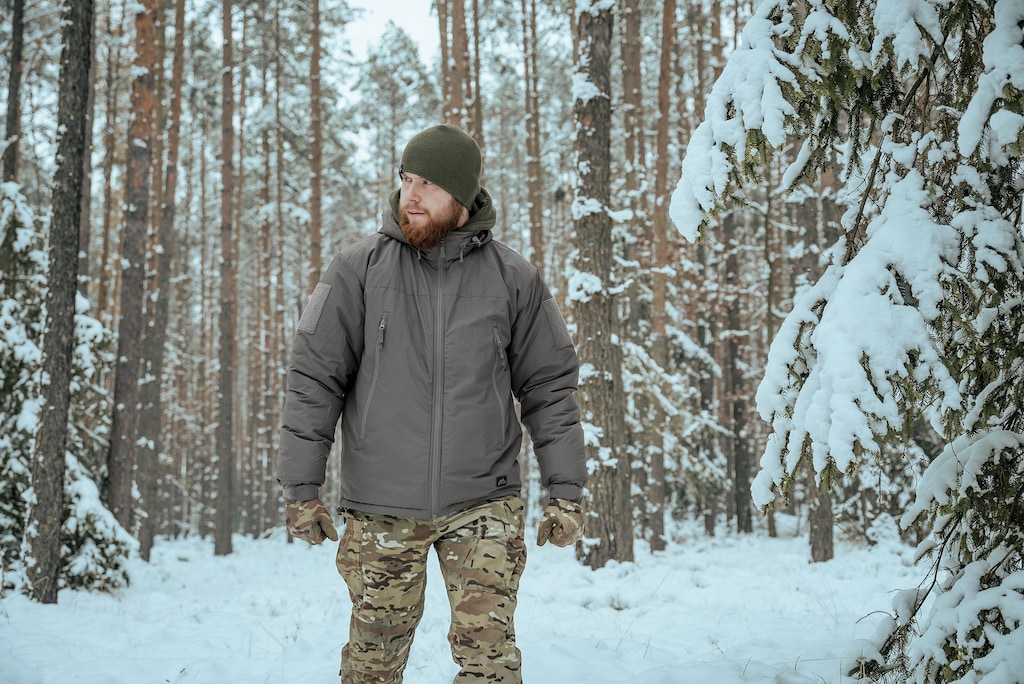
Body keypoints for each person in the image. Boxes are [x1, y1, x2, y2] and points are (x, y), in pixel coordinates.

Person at [275, 123, 588, 683]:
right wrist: (302, 489)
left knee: (490, 666)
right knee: (372, 666)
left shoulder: (515, 279)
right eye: (407, 178)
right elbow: (314, 380)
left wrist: (565, 492)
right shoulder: (356, 270)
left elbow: (550, 388)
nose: (410, 195)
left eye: (428, 183)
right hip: (381, 505)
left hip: (484, 502)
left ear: (462, 195)